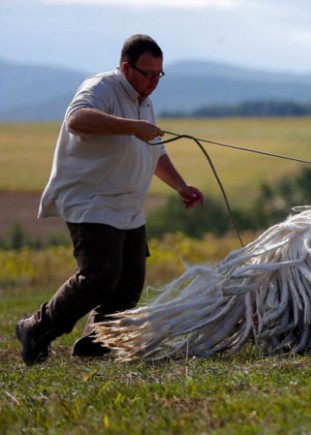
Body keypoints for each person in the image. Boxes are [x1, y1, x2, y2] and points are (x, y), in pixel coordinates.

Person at [15, 34, 205, 365]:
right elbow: (77, 119)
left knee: (129, 284)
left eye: (159, 74)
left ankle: (96, 343)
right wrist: (133, 127)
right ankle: (36, 328)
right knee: (100, 275)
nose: (153, 82)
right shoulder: (100, 87)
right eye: (147, 73)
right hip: (92, 201)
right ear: (125, 67)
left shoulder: (144, 99)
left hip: (128, 206)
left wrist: (180, 185)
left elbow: (154, 152)